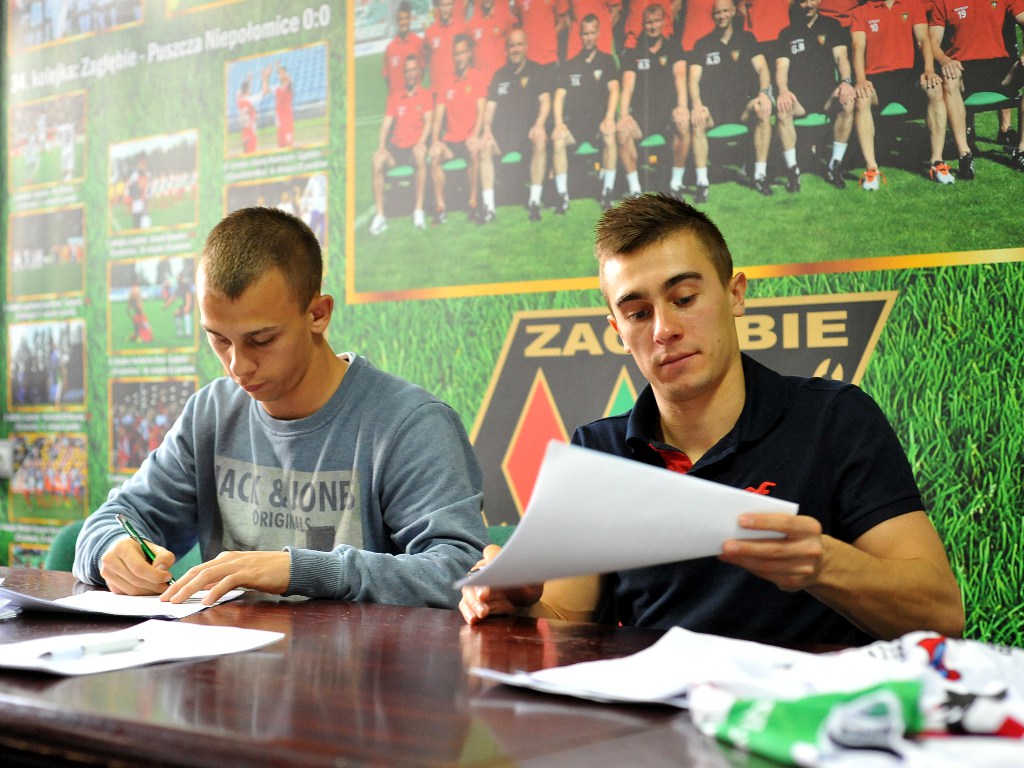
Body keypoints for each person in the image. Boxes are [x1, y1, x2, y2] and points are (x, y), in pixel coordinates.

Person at [459, 193, 965, 647]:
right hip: (654, 713)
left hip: (804, 713)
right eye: (638, 313)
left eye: (684, 299)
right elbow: (562, 622)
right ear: (617, 330)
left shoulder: (834, 418)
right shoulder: (598, 452)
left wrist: (822, 563)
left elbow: (941, 614)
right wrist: (515, 601)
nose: (664, 329)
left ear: (735, 294)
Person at [74, 207, 488, 609]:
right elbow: (117, 517)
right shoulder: (212, 413)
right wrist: (111, 548)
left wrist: (299, 571)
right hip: (228, 653)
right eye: (219, 339)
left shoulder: (410, 424)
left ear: (318, 314)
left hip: (363, 657)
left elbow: (460, 572)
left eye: (261, 340)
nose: (237, 365)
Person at [850, 0, 954, 189]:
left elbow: (923, 40)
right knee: (862, 97)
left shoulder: (913, 5)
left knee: (935, 88)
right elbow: (858, 47)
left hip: (907, 77)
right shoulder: (861, 12)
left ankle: (937, 162)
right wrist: (860, 79)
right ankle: (871, 168)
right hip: (877, 79)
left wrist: (929, 70)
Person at [689, 0, 775, 200]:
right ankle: (702, 183)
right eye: (717, 13)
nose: (721, 16)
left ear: (734, 11)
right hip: (714, 110)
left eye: (725, 11)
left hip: (741, 108)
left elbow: (763, 68)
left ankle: (760, 175)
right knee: (698, 120)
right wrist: (697, 104)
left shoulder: (746, 39)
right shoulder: (703, 44)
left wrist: (764, 93)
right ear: (713, 15)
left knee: (762, 108)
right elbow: (693, 79)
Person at [929, 0, 1024, 178]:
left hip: (1001, 71)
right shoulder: (943, 2)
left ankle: (1021, 151)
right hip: (965, 70)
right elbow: (932, 42)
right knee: (950, 77)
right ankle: (965, 154)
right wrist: (945, 60)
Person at [773, 0, 857, 190]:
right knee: (783, 109)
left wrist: (845, 81)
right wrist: (783, 91)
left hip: (827, 96)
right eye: (803, 1)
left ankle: (834, 164)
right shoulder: (787, 33)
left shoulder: (832, 25)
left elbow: (841, 58)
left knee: (847, 101)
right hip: (800, 100)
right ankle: (793, 170)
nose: (808, 4)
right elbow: (781, 68)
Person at [478, 28, 553, 223]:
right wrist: (487, 130)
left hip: (526, 136)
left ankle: (534, 201)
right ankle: (489, 208)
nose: (516, 49)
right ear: (506, 49)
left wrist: (539, 125)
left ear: (526, 46)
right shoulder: (499, 75)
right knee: (484, 146)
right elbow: (490, 108)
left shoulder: (537, 71)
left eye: (519, 45)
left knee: (540, 139)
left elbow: (545, 101)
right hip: (503, 137)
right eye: (512, 45)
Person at [616, 2, 690, 200]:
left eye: (657, 21)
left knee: (683, 122)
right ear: (643, 24)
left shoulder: (674, 47)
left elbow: (680, 77)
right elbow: (627, 86)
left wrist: (682, 107)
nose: (653, 26)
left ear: (664, 21)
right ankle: (634, 189)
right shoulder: (633, 51)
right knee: (622, 132)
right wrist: (624, 115)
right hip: (643, 117)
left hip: (667, 115)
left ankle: (676, 184)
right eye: (649, 22)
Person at [551, 13, 620, 212]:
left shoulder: (607, 61)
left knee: (609, 135)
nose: (588, 37)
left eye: (592, 33)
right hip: (575, 125)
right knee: (557, 139)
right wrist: (559, 123)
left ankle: (607, 192)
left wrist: (609, 117)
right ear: (580, 35)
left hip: (598, 124)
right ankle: (562, 196)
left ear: (598, 33)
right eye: (585, 34)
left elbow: (614, 89)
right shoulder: (570, 64)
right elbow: (559, 96)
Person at [370, 54, 434, 234]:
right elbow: (386, 125)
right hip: (396, 150)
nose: (410, 74)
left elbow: (429, 121)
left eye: (413, 70)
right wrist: (381, 146)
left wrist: (421, 142)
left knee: (420, 156)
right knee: (377, 160)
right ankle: (380, 215)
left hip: (414, 149)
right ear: (403, 74)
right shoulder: (395, 97)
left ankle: (418, 210)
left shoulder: (426, 95)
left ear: (418, 72)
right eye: (407, 71)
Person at [428, 33, 487, 224]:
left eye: (462, 53)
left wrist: (475, 135)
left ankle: (473, 202)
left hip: (469, 139)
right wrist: (435, 141)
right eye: (456, 54)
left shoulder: (478, 78)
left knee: (474, 150)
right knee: (435, 156)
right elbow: (438, 117)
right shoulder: (446, 83)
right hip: (451, 141)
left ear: (469, 54)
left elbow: (481, 112)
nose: (459, 57)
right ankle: (440, 207)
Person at [383, 1, 423, 94]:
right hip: (396, 99)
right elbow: (386, 77)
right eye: (400, 19)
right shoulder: (390, 48)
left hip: (414, 98)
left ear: (410, 19)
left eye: (406, 18)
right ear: (397, 21)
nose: (403, 22)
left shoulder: (418, 42)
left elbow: (422, 69)